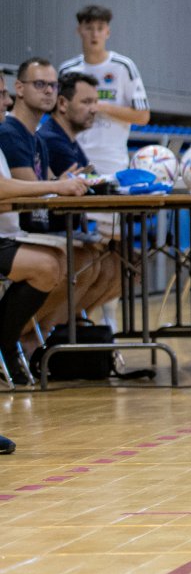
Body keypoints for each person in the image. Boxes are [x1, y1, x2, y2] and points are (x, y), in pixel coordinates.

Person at [2, 62, 119, 345]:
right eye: (40, 85)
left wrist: (62, 184)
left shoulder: (35, 138)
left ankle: (41, 339)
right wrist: (57, 186)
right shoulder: (9, 133)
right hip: (22, 230)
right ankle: (24, 341)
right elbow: (24, 194)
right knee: (66, 264)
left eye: (52, 86)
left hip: (14, 231)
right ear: (21, 88)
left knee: (106, 262)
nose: (49, 92)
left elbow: (41, 188)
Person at [0, 167, 92, 426]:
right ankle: (8, 344)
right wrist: (53, 187)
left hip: (8, 235)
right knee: (46, 267)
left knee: (61, 263)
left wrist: (51, 187)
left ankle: (11, 343)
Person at [59, 6, 150, 177]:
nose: (95, 34)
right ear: (79, 31)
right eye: (89, 28)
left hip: (113, 163)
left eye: (100, 28)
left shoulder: (124, 66)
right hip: (74, 160)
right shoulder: (67, 70)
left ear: (107, 32)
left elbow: (143, 116)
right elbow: (58, 116)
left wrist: (102, 107)